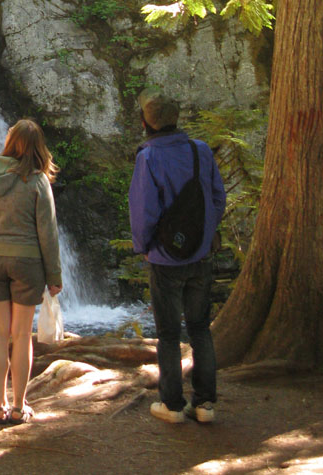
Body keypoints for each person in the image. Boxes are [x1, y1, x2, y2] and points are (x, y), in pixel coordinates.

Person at [129, 88, 226, 424]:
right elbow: (217, 198)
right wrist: (203, 237)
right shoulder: (200, 151)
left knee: (169, 333)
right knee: (200, 328)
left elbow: (144, 212)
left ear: (146, 123)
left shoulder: (148, 158)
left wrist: (143, 247)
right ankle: (205, 404)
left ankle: (171, 405)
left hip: (164, 260)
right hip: (201, 256)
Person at [0, 119, 63, 426]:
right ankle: (19, 407)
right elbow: (48, 234)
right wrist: (54, 277)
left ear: (9, 142)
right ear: (37, 148)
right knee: (21, 336)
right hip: (27, 264)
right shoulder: (37, 181)